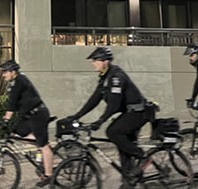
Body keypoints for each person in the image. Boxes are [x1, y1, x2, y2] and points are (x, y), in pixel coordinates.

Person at [62, 46, 150, 181]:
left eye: (95, 60)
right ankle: (130, 179)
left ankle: (142, 157)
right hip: (130, 113)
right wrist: (76, 116)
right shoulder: (105, 77)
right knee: (123, 146)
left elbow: (113, 105)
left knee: (113, 132)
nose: (93, 64)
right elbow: (94, 99)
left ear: (105, 61)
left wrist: (100, 121)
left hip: (139, 113)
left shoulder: (116, 77)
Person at [0, 59, 54, 187]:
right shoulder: (15, 81)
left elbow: (12, 103)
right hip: (29, 116)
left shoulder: (19, 81)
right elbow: (14, 102)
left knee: (43, 144)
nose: (3, 74)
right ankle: (42, 148)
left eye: (5, 72)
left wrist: (6, 119)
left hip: (38, 114)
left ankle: (48, 175)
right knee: (16, 133)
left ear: (13, 72)